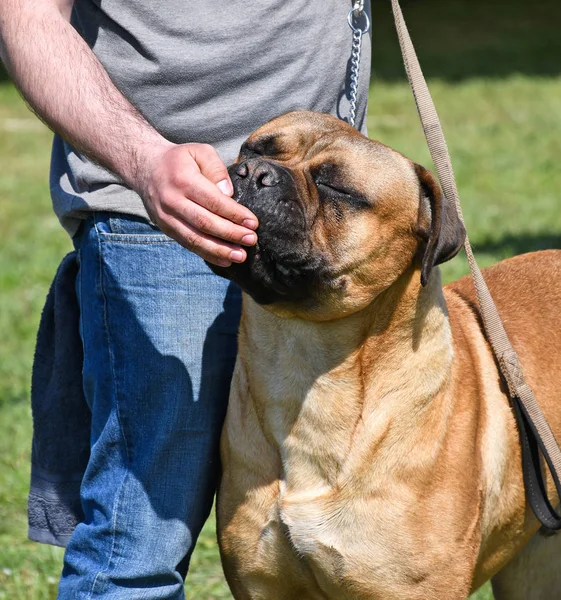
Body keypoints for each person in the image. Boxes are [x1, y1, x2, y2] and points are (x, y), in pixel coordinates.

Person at [0, 0, 371, 597]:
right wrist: (146, 164)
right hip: (167, 218)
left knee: (333, 545)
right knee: (136, 552)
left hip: (312, 234)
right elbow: (26, 16)